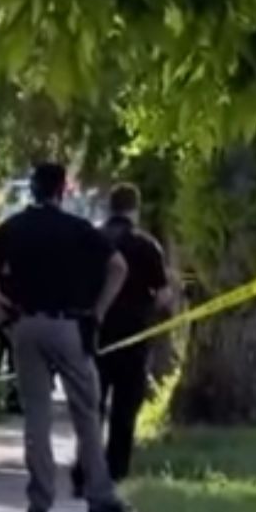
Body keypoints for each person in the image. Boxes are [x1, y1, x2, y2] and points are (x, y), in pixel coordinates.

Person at [0, 162, 129, 512]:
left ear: (32, 189)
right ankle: (99, 494)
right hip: (70, 325)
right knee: (86, 414)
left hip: (26, 325)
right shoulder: (79, 230)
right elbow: (118, 267)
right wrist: (99, 310)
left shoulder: (11, 229)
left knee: (36, 416)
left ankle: (40, 497)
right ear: (62, 190)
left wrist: (3, 319)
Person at [68, 183, 172, 493]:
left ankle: (83, 472)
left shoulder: (90, 241)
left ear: (108, 207)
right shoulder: (147, 245)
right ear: (134, 209)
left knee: (92, 406)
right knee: (125, 408)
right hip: (134, 335)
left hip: (94, 333)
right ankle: (115, 472)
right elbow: (164, 297)